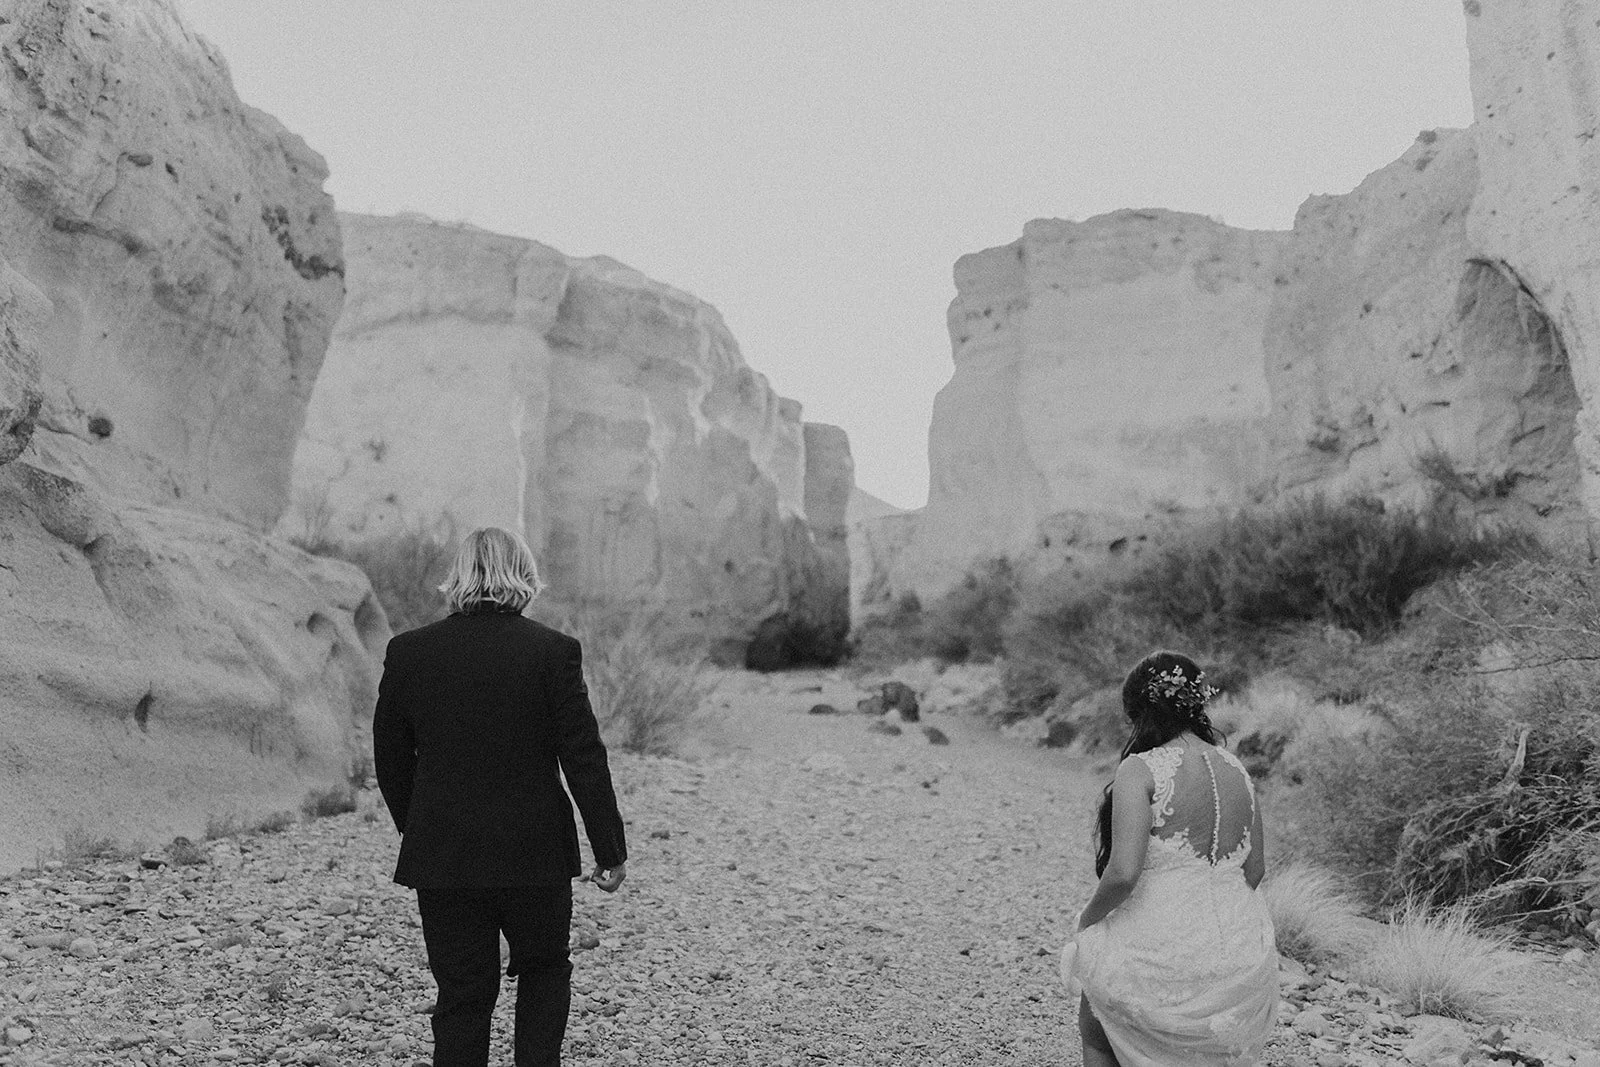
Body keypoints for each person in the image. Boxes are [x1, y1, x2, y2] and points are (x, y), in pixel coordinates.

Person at [373, 526, 628, 1067]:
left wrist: (417, 825)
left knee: (462, 992)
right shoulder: (552, 651)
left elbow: (391, 759)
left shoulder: (410, 652)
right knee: (543, 970)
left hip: (444, 851)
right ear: (525, 577)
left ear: (459, 577)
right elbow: (583, 755)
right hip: (534, 850)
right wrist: (610, 848)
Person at [1065, 651, 1277, 1067]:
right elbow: (1256, 869)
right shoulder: (1238, 770)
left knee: (1097, 1025)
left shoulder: (1141, 769)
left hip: (1160, 940)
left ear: (1142, 712)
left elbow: (1123, 874)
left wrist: (1087, 920)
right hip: (1238, 948)